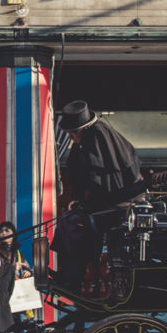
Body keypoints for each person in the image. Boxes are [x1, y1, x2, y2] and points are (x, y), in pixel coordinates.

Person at [50, 100, 144, 291]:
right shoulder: (87, 140)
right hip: (113, 202)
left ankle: (73, 279)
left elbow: (98, 177)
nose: (69, 136)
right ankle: (70, 275)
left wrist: (84, 204)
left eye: (71, 132)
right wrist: (77, 200)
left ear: (79, 129)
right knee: (71, 219)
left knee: (74, 223)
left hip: (122, 204)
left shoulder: (97, 135)